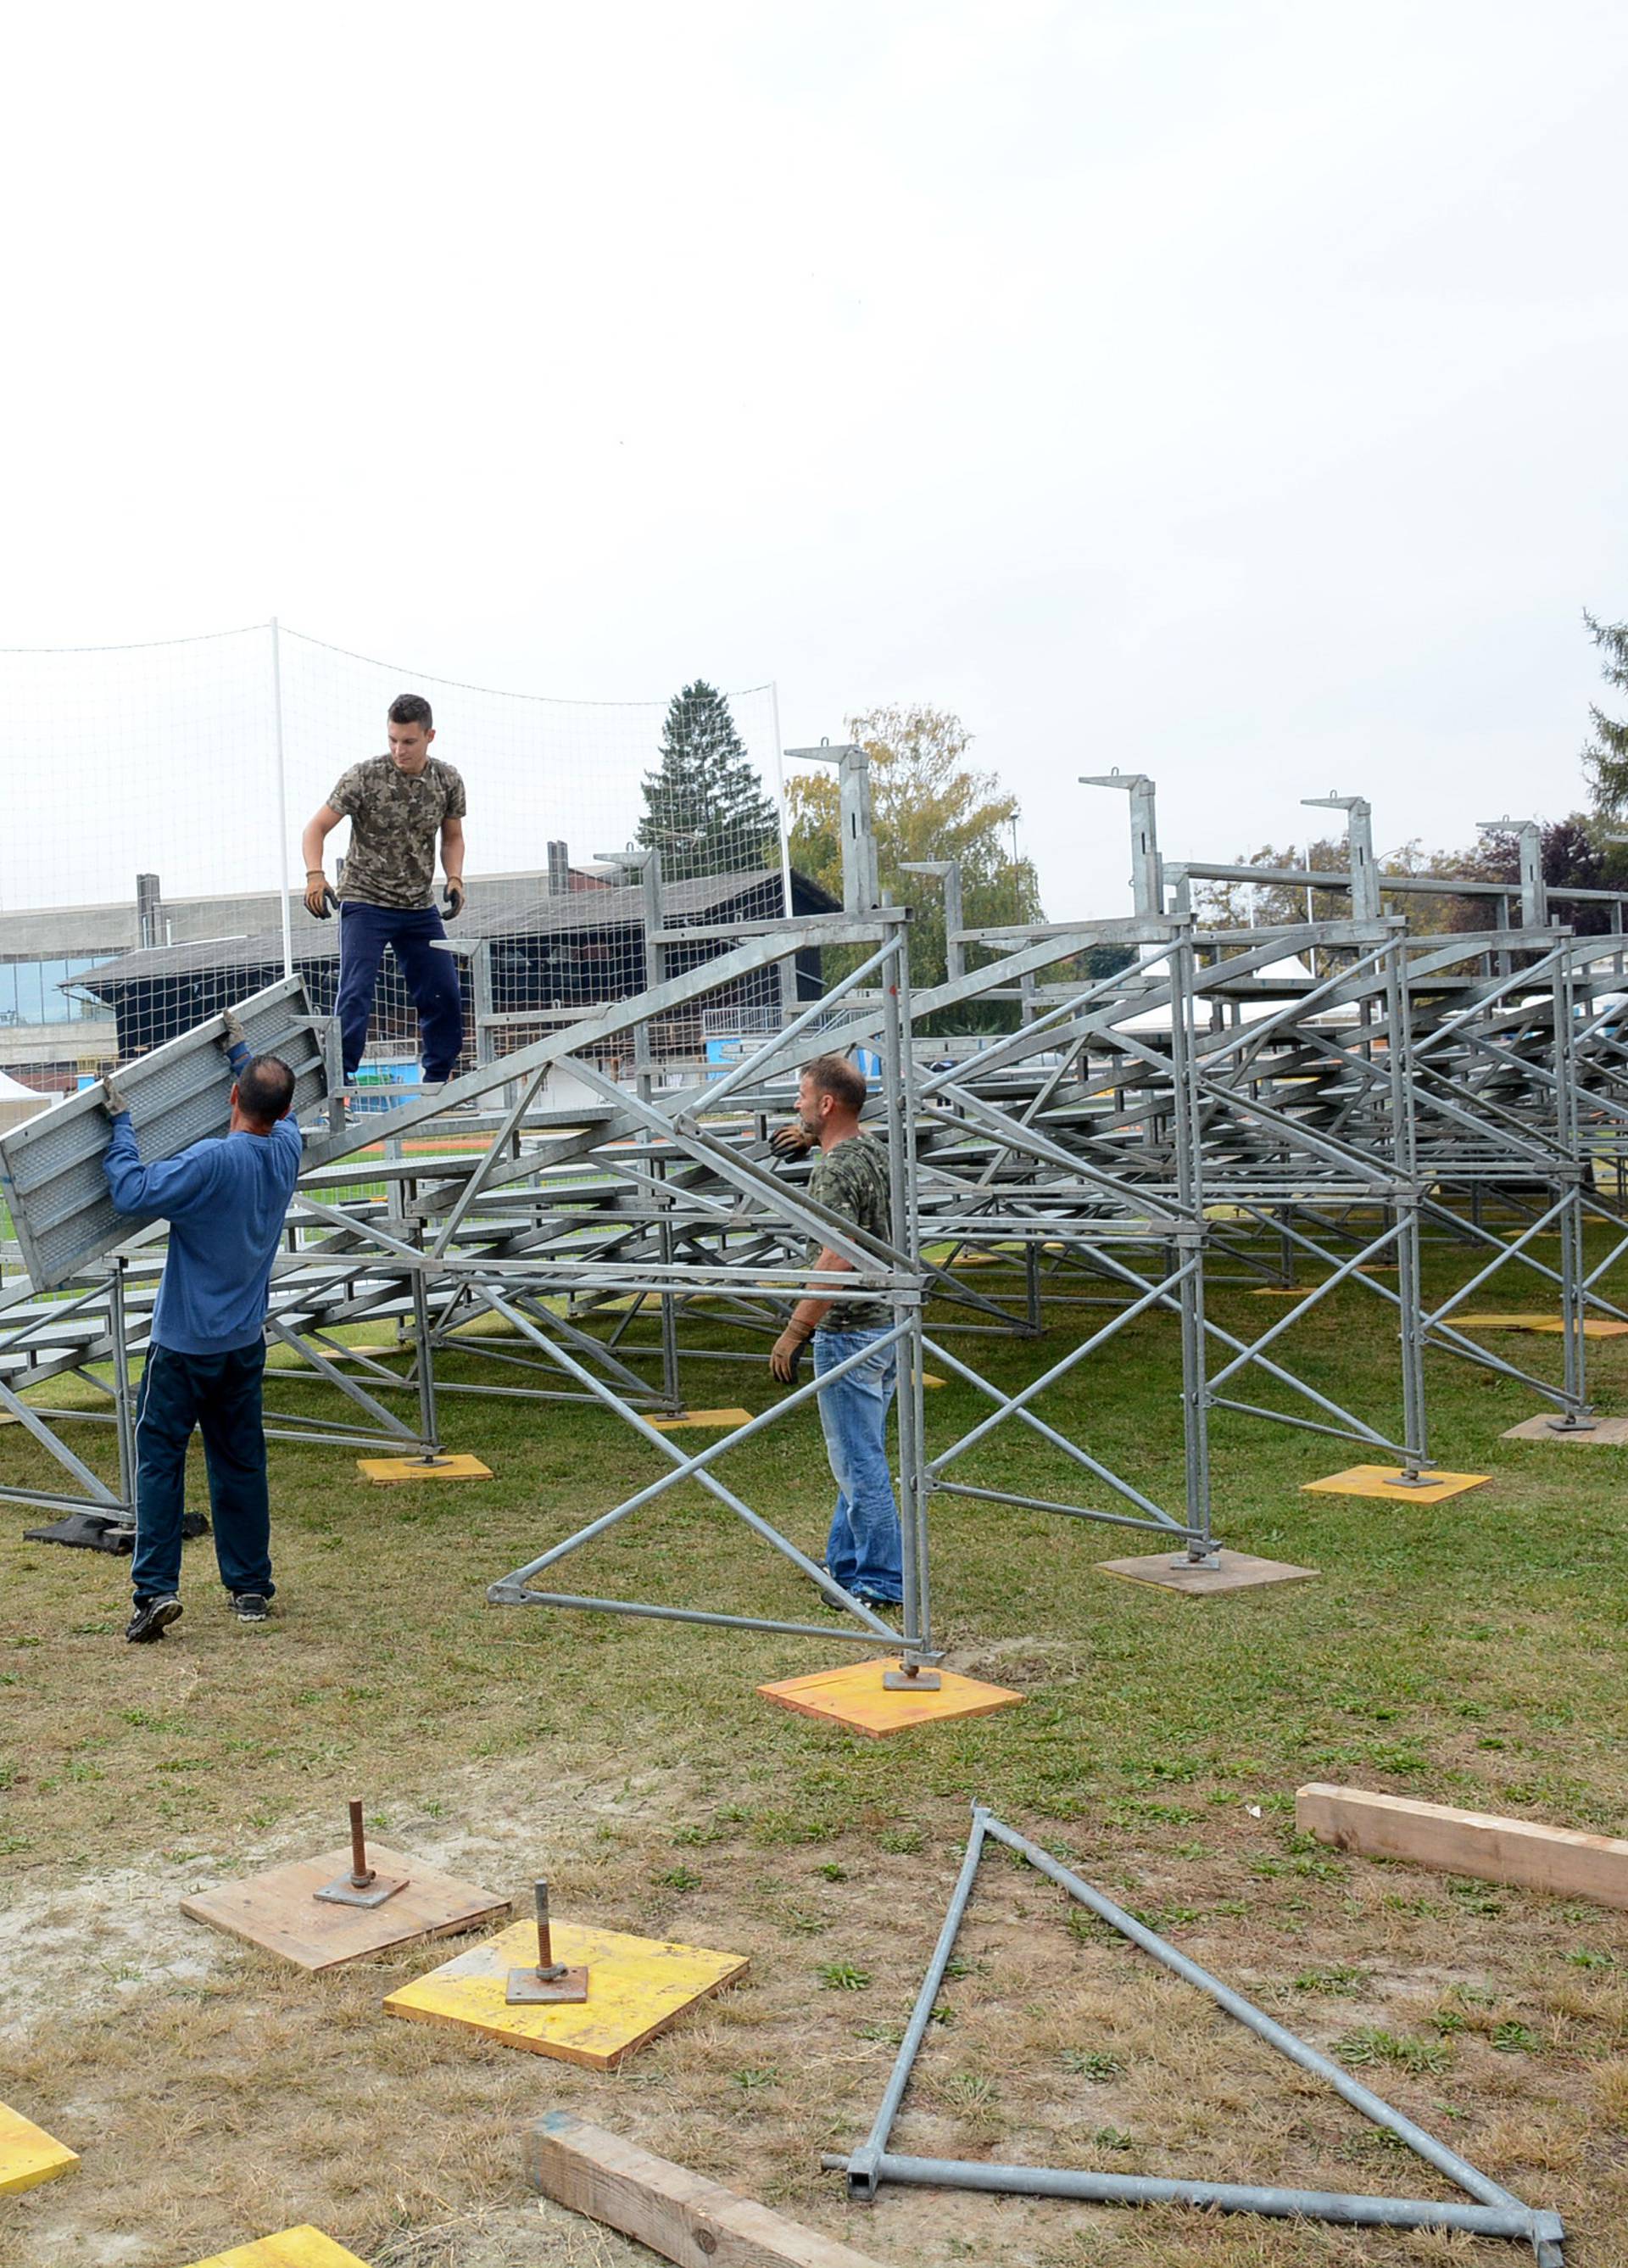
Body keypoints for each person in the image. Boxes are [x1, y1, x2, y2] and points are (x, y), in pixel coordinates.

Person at [102, 1014, 302, 1642]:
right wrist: (239, 1048)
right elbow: (277, 1104)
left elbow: (130, 1191)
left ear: (232, 1098)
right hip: (243, 1344)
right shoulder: (289, 1147)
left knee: (160, 1460)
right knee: (240, 1462)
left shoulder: (214, 1161)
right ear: (285, 1108)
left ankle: (156, 1591)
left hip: (184, 1345)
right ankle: (249, 1589)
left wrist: (122, 1126)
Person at [767, 1053, 903, 1607]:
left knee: (859, 1459)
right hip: (886, 1324)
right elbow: (850, 1147)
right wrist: (809, 1137)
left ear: (826, 1103)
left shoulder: (835, 1168)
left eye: (803, 1097)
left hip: (849, 1331)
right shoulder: (873, 1149)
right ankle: (846, 1563)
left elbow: (836, 1257)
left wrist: (795, 1329)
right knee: (859, 1452)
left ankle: (880, 1579)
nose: (796, 1106)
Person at [300, 693, 467, 1091]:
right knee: (356, 989)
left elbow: (453, 837)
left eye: (408, 742)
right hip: (365, 900)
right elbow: (316, 828)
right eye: (392, 739)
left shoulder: (447, 780)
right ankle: (340, 1081)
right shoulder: (364, 776)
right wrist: (314, 875)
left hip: (417, 906)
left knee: (443, 988)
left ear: (429, 736)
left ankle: (439, 1081)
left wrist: (456, 878)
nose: (398, 749)